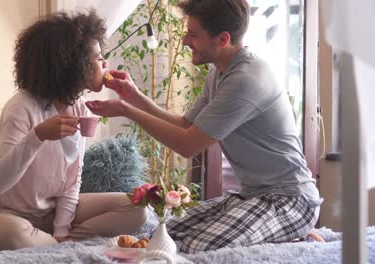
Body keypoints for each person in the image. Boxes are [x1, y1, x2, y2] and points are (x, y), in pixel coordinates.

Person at [86, 0, 322, 254]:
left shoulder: (245, 80)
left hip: (290, 200)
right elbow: (187, 125)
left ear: (222, 39)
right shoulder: (219, 72)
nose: (186, 41)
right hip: (252, 196)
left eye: (193, 34)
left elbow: (187, 145)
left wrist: (125, 110)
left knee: (196, 247)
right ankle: (280, 231)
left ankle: (292, 233)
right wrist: (133, 97)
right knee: (163, 235)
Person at [0, 11, 147, 250]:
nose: (105, 64)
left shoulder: (80, 107)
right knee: (15, 233)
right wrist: (38, 136)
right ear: (74, 65)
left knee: (138, 209)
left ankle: (60, 243)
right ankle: (52, 243)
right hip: (0, 213)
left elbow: (73, 179)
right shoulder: (21, 107)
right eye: (98, 58)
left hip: (50, 213)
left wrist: (62, 229)